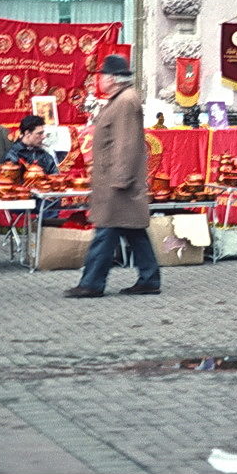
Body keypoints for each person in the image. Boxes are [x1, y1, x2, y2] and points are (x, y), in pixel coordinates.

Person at [63, 54, 161, 298]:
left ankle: (92, 283)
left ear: (114, 79)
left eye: (103, 75)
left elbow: (126, 144)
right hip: (116, 181)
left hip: (118, 183)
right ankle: (149, 279)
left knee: (106, 232)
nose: (100, 79)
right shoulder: (120, 99)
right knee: (134, 231)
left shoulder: (125, 101)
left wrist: (121, 179)